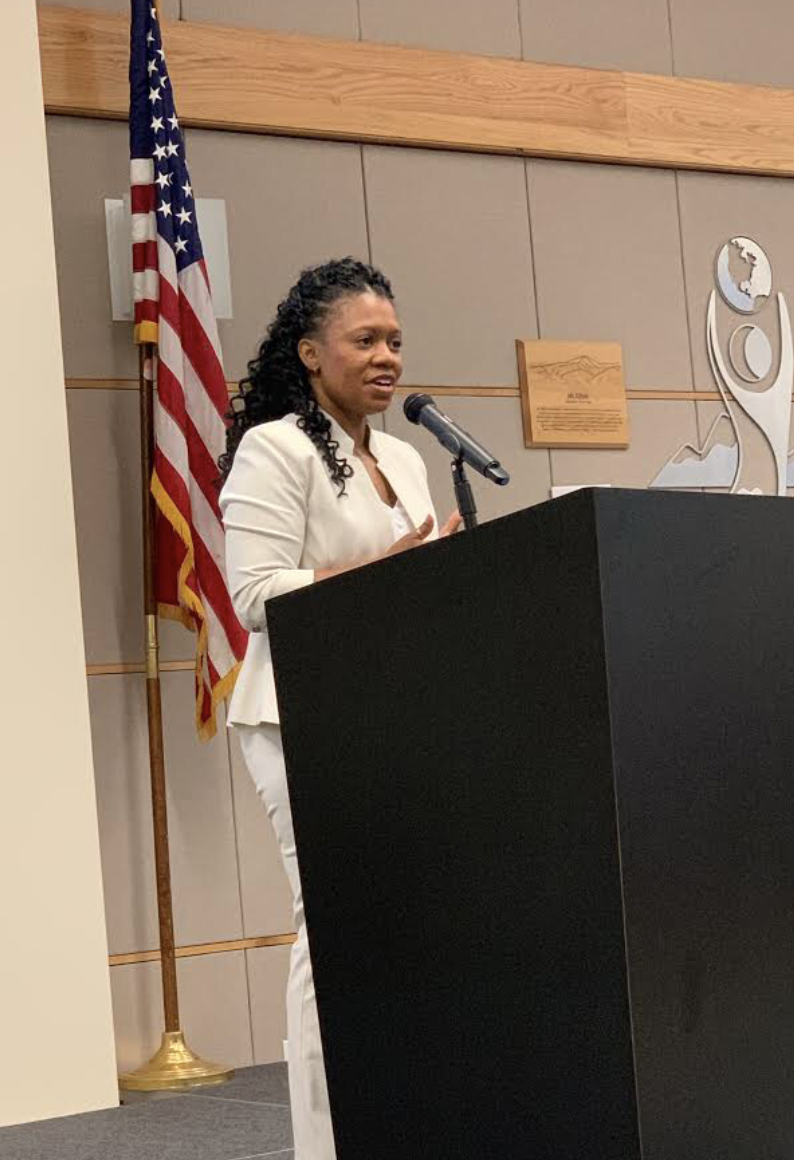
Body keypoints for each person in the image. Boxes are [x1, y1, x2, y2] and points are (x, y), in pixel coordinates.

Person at [218, 257, 460, 1158]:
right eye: (366, 340)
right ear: (311, 353)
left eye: (395, 340)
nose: (387, 356)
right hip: (300, 715)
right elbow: (254, 594)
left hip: (392, 713)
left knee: (403, 926)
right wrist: (382, 573)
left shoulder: (404, 455)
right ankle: (324, 1142)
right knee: (332, 926)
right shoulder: (275, 448)